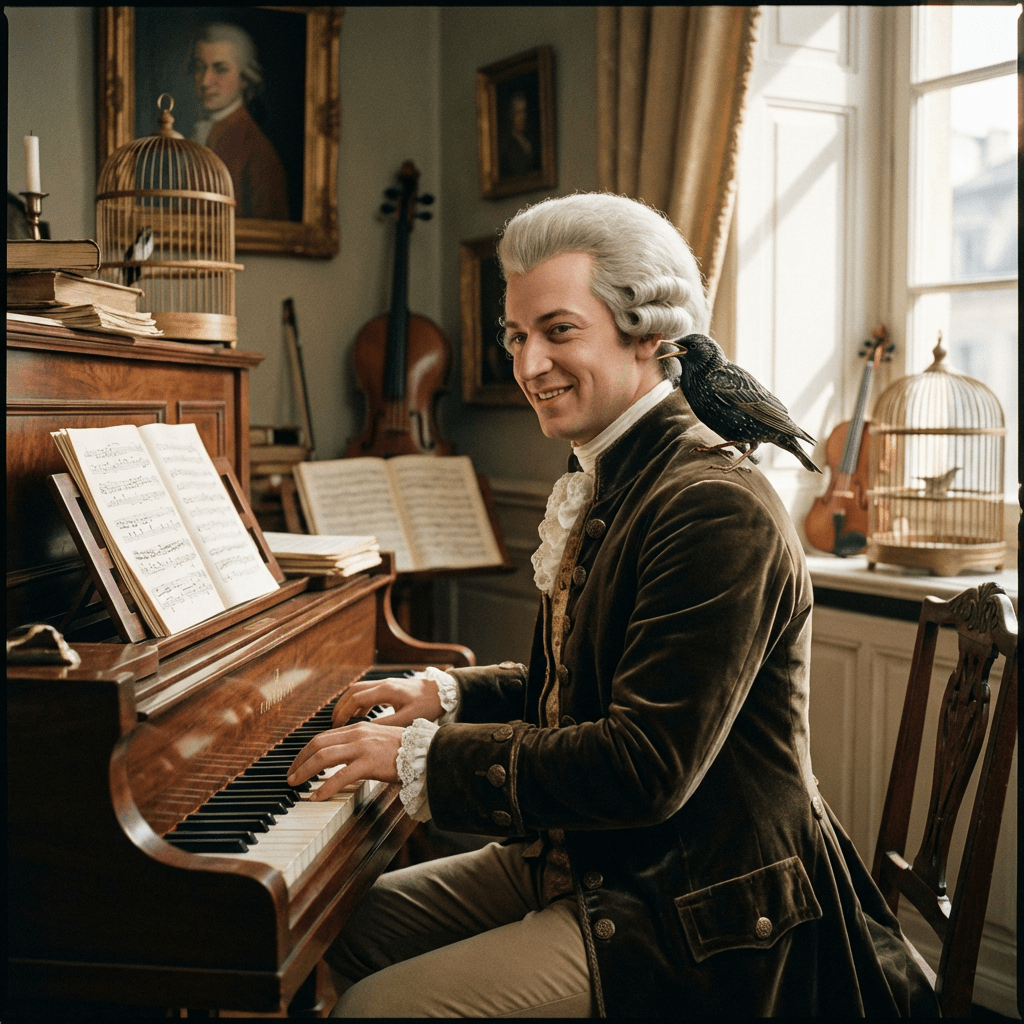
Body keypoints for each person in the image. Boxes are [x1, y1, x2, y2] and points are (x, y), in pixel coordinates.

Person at [287, 193, 939, 1017]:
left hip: (697, 904)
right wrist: (447, 696)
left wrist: (419, 757)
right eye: (516, 336)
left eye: (559, 331)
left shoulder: (711, 504)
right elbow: (594, 685)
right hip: (594, 858)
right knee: (336, 924)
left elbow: (643, 766)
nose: (528, 367)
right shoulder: (607, 472)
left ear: (652, 335)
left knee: (377, 1009)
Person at [190, 22, 289, 221]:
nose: (205, 81)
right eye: (200, 68)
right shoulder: (200, 133)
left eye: (220, 69)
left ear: (245, 78)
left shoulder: (257, 151)